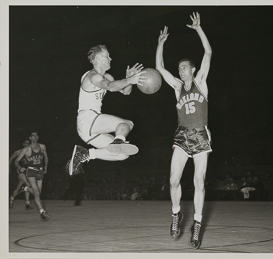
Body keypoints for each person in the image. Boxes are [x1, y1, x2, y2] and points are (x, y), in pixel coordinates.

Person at [156, 12, 212, 249]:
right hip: (182, 135)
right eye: (178, 68)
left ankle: (197, 224)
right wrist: (160, 44)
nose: (180, 71)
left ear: (192, 69)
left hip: (200, 135)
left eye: (183, 68)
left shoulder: (200, 81)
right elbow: (159, 67)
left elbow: (208, 52)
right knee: (173, 179)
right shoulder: (177, 87)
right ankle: (176, 214)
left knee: (199, 181)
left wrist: (199, 29)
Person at [68, 44, 146, 176]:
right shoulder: (92, 76)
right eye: (107, 56)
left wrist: (129, 80)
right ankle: (118, 140)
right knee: (127, 124)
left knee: (122, 154)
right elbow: (110, 87)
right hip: (88, 118)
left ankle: (86, 154)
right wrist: (128, 80)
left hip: (88, 129)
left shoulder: (107, 76)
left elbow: (125, 92)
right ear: (98, 58)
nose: (110, 58)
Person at [15, 132, 51, 221]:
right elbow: (16, 161)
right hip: (31, 171)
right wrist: (20, 167)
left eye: (36, 135)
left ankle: (26, 188)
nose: (35, 137)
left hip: (40, 171)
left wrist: (45, 166)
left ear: (38, 137)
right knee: (37, 193)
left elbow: (46, 157)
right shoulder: (26, 149)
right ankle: (42, 213)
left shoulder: (42, 146)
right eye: (33, 136)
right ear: (30, 138)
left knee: (38, 193)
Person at [9, 138, 34, 210]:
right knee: (27, 184)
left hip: (27, 171)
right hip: (19, 171)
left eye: (28, 143)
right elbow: (10, 159)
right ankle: (27, 203)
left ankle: (12, 198)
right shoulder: (18, 152)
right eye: (26, 143)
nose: (27, 144)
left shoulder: (29, 152)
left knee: (19, 187)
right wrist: (9, 168)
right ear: (23, 144)